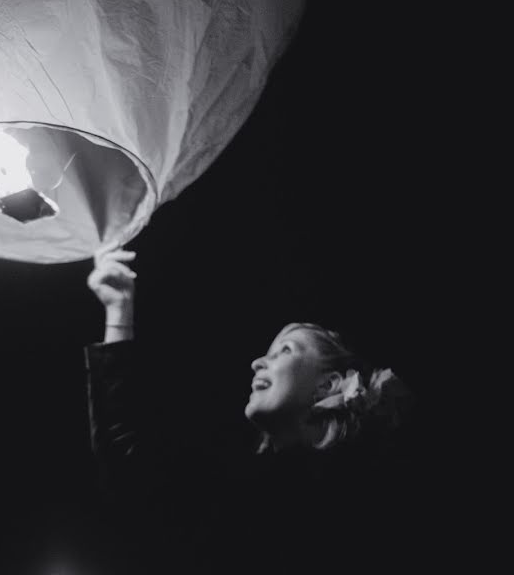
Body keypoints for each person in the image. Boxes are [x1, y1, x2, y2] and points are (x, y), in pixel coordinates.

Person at [84, 242, 423, 574]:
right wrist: (119, 311)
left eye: (285, 351)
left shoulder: (365, 500)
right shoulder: (235, 492)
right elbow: (132, 480)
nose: (257, 362)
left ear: (329, 385)